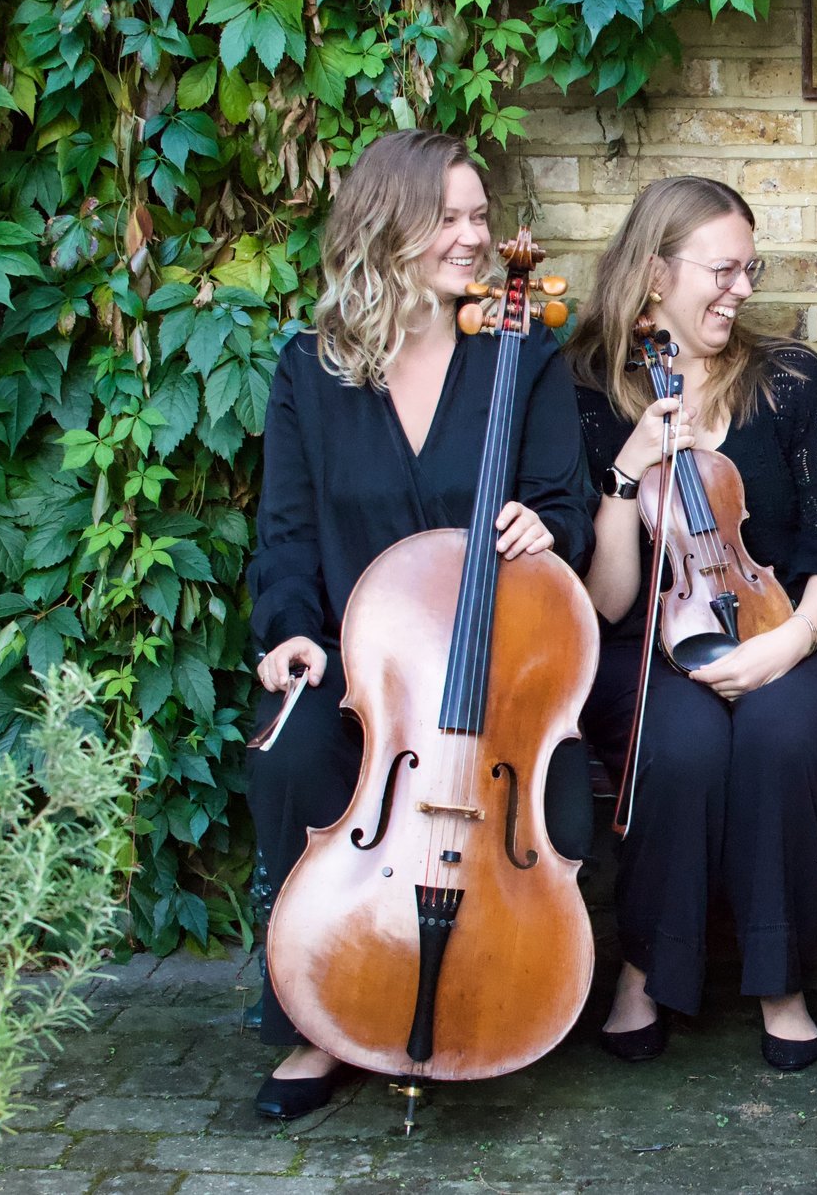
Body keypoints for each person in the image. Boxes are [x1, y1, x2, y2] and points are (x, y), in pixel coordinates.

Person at [244, 130, 597, 1118]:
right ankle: (314, 1019)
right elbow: (283, 534)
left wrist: (544, 522)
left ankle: (494, 987)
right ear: (386, 225)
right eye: (449, 217)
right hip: (373, 679)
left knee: (546, 814)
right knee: (289, 751)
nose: (474, 236)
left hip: (495, 684)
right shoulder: (310, 370)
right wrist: (288, 633)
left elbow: (562, 503)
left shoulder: (520, 355)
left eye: (480, 215)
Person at [565, 176, 817, 1072]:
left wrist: (790, 642)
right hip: (647, 642)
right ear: (656, 274)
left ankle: (779, 980)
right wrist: (626, 475)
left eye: (751, 268)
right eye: (724, 269)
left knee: (779, 735)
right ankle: (648, 968)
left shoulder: (787, 379)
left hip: (793, 624)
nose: (742, 288)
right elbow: (609, 603)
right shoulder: (585, 385)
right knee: (685, 747)